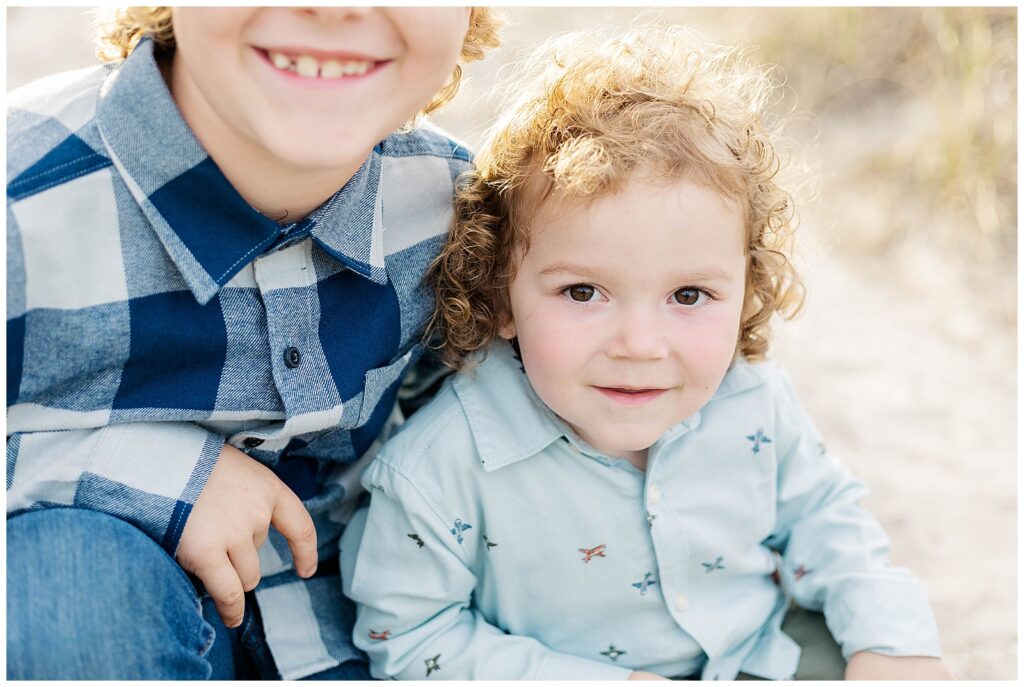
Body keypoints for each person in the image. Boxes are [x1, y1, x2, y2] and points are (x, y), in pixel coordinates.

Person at [339, 24, 955, 680]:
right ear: (502, 297)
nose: (639, 344)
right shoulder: (440, 469)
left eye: (689, 294)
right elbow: (408, 640)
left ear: (746, 289)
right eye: (583, 290)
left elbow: (829, 522)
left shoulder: (754, 404)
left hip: (756, 654)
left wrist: (891, 640)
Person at [6, 6, 500, 680]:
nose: (337, 8)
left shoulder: (455, 211)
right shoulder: (24, 200)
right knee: (69, 582)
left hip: (360, 632)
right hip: (99, 628)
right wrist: (153, 472)